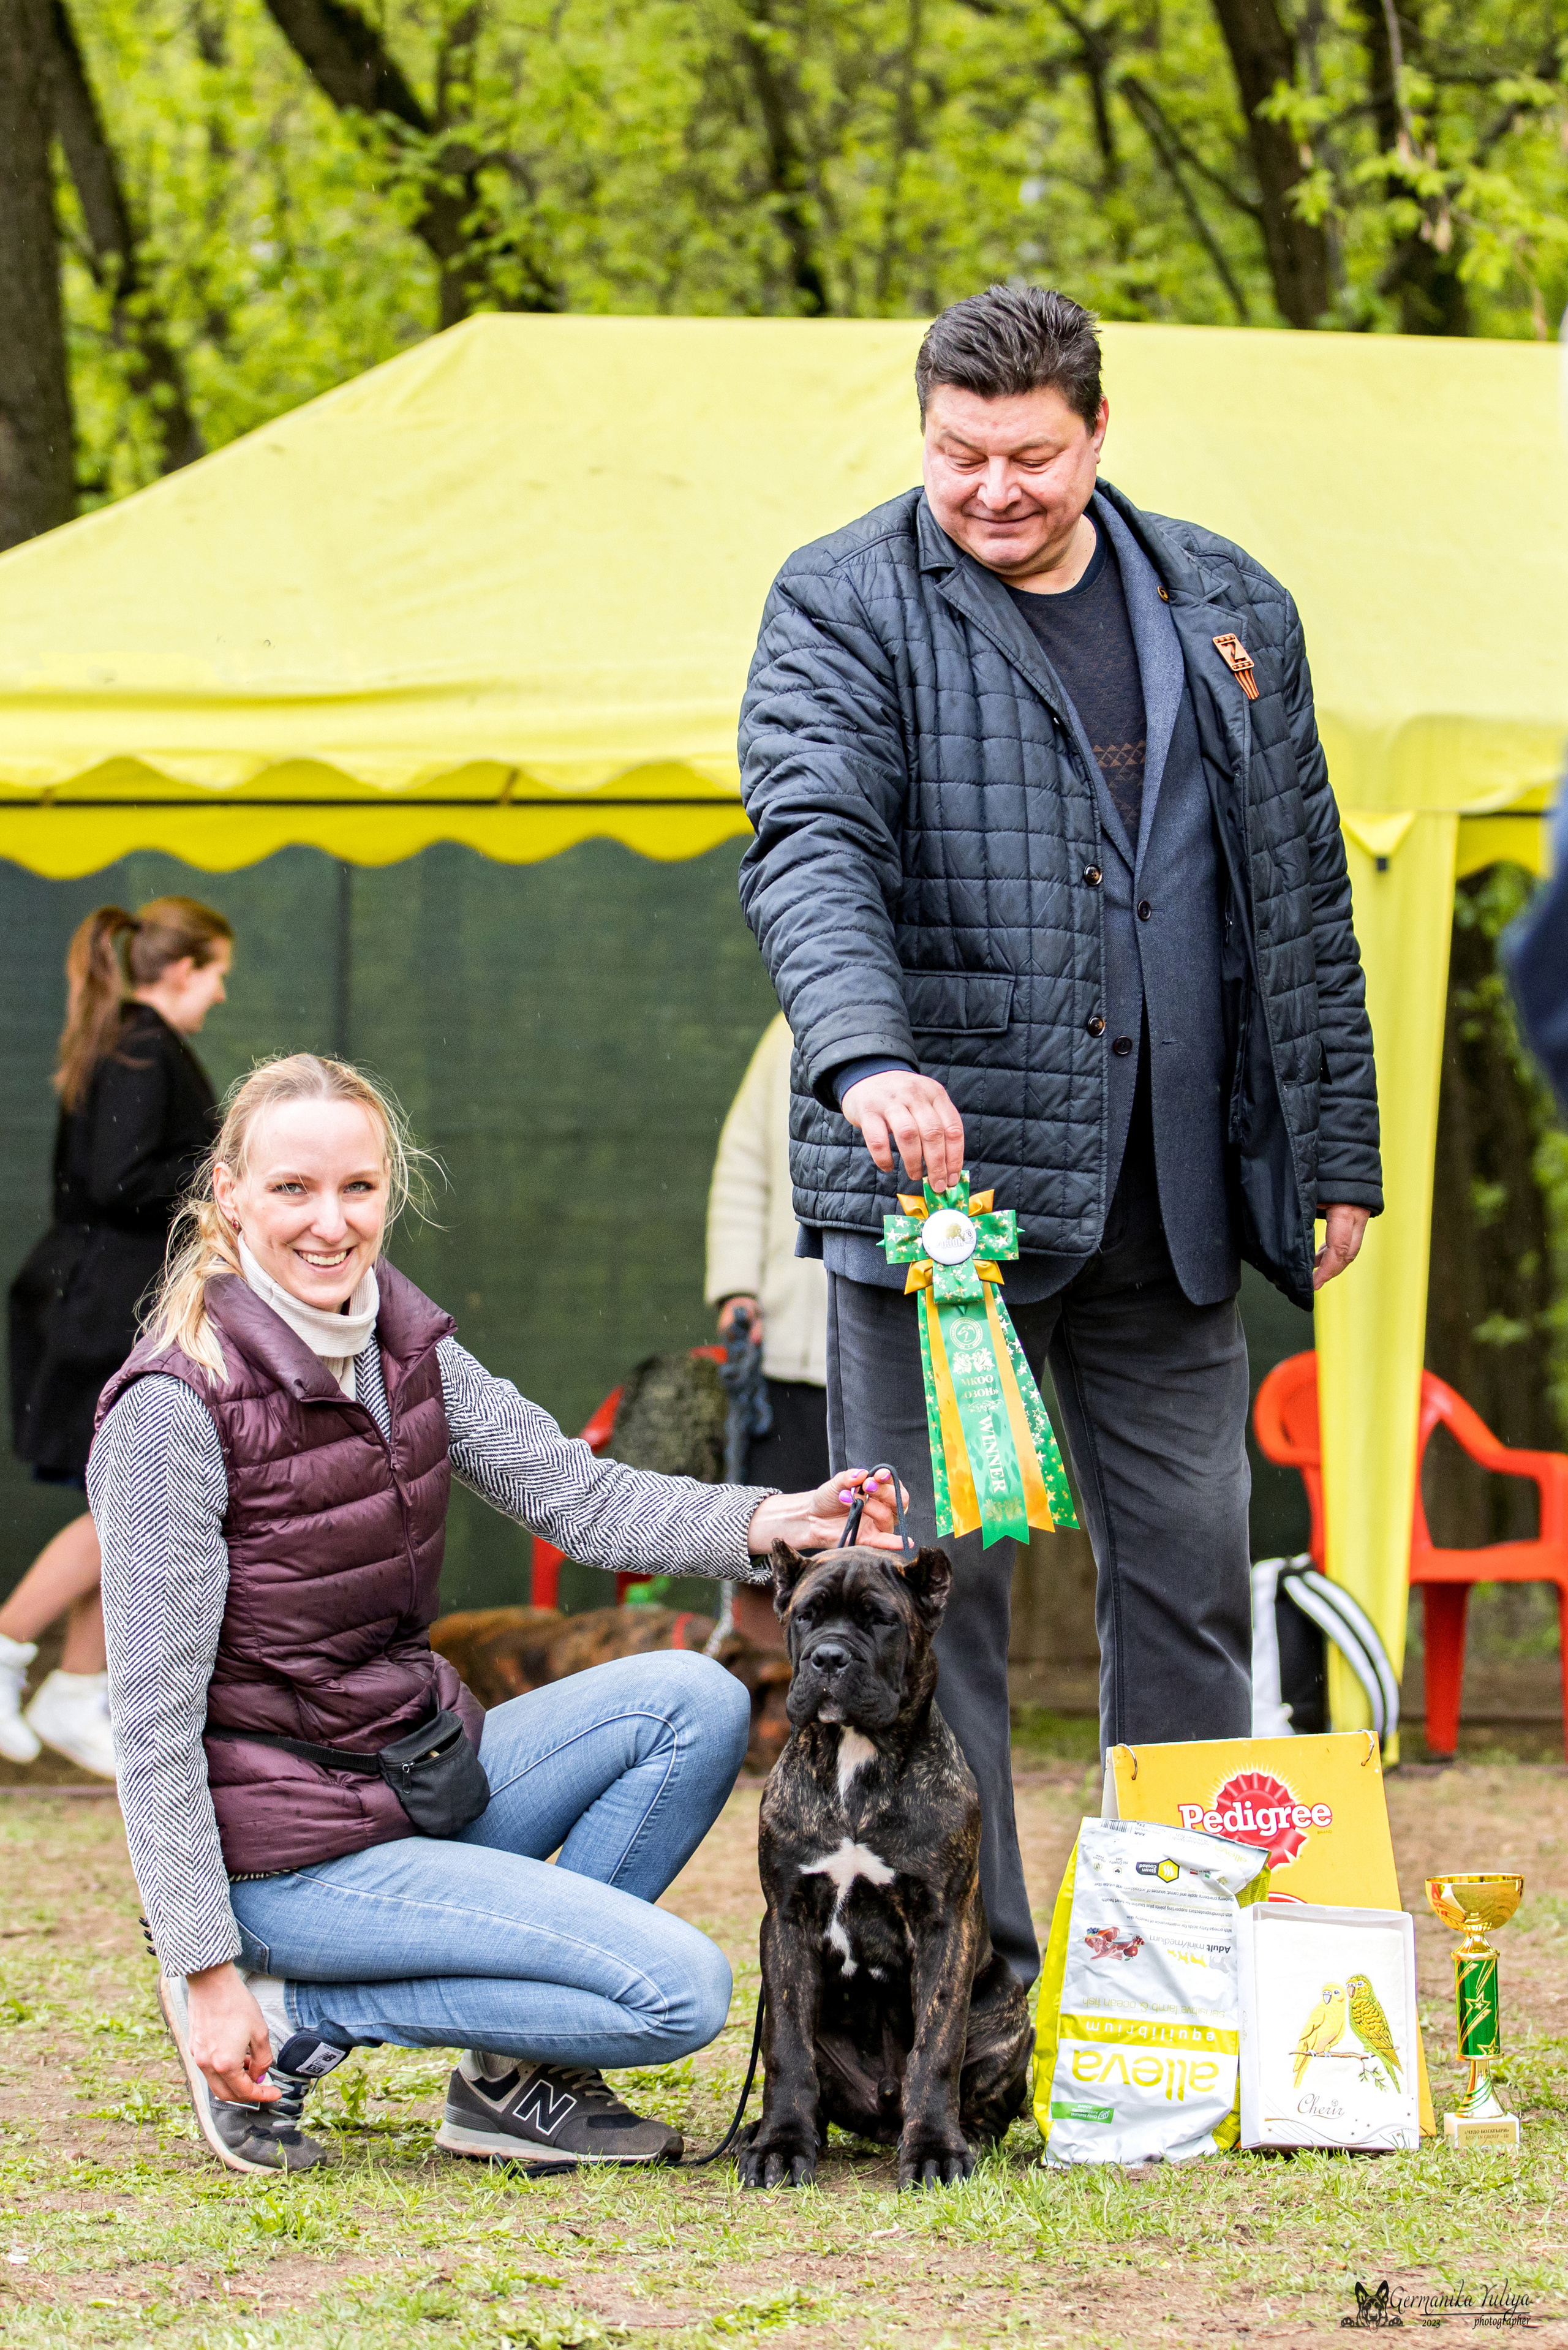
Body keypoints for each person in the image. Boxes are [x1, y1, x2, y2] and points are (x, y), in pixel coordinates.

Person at [737, 284, 1381, 1987]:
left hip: (1176, 1196)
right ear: (923, 430)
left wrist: (1331, 1143)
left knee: (1190, 1589)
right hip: (939, 1203)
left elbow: (1299, 893)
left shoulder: (1229, 602)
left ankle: (1167, 1990)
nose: (992, 488)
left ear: (1098, 431)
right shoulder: (842, 597)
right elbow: (808, 840)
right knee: (915, 1614)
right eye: (958, 453)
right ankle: (976, 2002)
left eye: (1028, 455)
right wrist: (865, 1056)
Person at [88, 1052, 903, 2177]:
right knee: (678, 1991)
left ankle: (513, 2080)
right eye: (293, 1189)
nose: (331, 1222)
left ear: (391, 1189)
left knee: (694, 1698)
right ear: (228, 1194)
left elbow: (578, 1495)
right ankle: (297, 2011)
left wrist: (776, 1517)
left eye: (359, 1187)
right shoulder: (173, 1409)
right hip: (281, 1866)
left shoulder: (400, 1341)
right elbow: (152, 1725)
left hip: (413, 1780)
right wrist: (206, 1966)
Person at [2, 897, 232, 1776]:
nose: (219, 994)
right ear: (183, 969)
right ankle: (10, 1645)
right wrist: (224, 1173)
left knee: (121, 1499)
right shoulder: (141, 1047)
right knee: (125, 1501)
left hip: (104, 1298)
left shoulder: (132, 1041)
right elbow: (122, 1178)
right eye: (216, 974)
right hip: (99, 1306)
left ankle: (74, 1688)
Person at [705, 1011, 830, 1646]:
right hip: (784, 1359)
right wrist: (737, 1287)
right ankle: (763, 1686)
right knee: (768, 1548)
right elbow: (744, 1164)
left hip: (901, 1360)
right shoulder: (789, 1030)